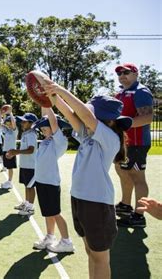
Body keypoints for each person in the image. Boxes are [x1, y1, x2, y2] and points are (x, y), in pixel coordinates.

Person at [44, 81, 132, 279]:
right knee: (91, 253)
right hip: (80, 199)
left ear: (107, 121)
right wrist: (51, 95)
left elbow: (84, 115)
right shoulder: (88, 135)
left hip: (97, 203)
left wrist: (61, 90)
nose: (86, 117)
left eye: (93, 114)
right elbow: (70, 114)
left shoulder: (110, 138)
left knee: (100, 258)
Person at [113, 63, 153, 228]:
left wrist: (123, 126)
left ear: (136, 74)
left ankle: (139, 215)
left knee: (138, 177)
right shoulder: (120, 93)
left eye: (126, 72)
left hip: (137, 143)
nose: (122, 75)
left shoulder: (140, 92)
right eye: (119, 73)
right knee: (122, 170)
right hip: (124, 142)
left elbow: (147, 118)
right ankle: (125, 205)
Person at [30, 108, 74, 253]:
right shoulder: (44, 142)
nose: (42, 130)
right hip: (41, 182)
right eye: (41, 128)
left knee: (55, 212)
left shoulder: (59, 141)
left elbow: (53, 123)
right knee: (47, 213)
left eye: (45, 127)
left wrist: (47, 102)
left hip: (51, 183)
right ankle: (50, 237)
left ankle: (66, 241)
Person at [6, 112, 38, 216]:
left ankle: (30, 208)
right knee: (26, 185)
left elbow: (31, 150)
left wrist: (17, 152)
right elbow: (24, 149)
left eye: (24, 122)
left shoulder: (32, 134)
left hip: (31, 166)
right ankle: (26, 203)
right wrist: (14, 152)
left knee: (30, 187)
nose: (22, 123)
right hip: (24, 165)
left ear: (31, 123)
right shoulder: (25, 134)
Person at [0, 105, 18, 189]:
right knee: (7, 167)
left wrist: (10, 113)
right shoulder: (7, 130)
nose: (9, 124)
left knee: (10, 168)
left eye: (10, 122)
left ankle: (10, 182)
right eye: (8, 123)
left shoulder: (15, 130)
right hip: (5, 151)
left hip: (11, 151)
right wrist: (0, 115)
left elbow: (14, 123)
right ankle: (8, 181)